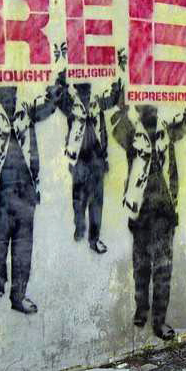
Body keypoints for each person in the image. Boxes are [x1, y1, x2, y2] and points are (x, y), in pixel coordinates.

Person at [0, 33, 64, 313]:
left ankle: (19, 296)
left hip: (25, 193)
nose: (9, 92)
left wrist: (60, 65)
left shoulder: (25, 112)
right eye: (4, 89)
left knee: (23, 247)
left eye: (12, 89)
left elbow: (50, 102)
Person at [112, 95, 186, 340]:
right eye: (143, 105)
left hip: (164, 212)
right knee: (141, 265)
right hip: (140, 210)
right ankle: (142, 309)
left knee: (163, 268)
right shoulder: (132, 135)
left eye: (151, 104)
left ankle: (159, 321)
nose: (148, 109)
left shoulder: (166, 132)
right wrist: (121, 102)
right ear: (139, 109)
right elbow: (117, 126)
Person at [56, 50, 125, 254]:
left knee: (97, 202)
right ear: (77, 90)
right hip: (79, 160)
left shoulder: (97, 103)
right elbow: (58, 96)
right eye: (82, 89)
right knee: (79, 199)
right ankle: (80, 228)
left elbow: (114, 98)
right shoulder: (72, 106)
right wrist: (62, 68)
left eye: (87, 89)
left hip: (96, 159)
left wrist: (119, 71)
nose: (85, 92)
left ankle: (94, 239)